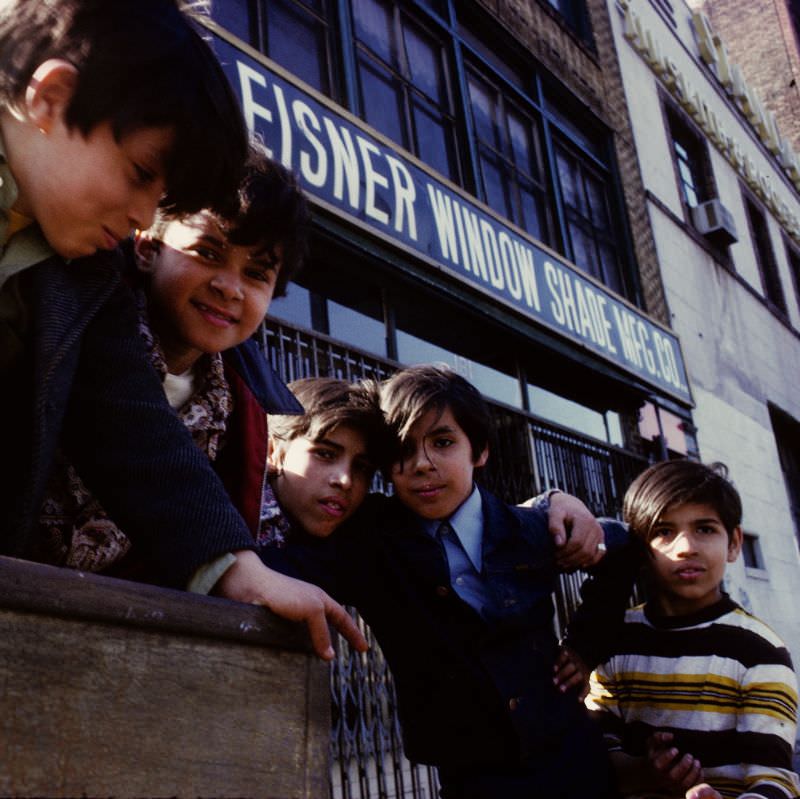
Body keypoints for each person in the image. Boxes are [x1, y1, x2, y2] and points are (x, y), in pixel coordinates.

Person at [0, 0, 365, 660]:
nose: (142, 210)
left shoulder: (80, 271)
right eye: (141, 173)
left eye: (257, 272)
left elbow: (129, 427)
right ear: (49, 97)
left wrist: (239, 570)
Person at [261, 363, 640, 798]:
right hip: (470, 777)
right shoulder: (367, 541)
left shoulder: (534, 529)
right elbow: (278, 564)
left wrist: (585, 645)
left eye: (442, 443)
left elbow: (625, 548)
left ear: (479, 451)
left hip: (575, 761)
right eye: (404, 447)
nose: (422, 464)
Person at [38, 142, 309, 575]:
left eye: (256, 273)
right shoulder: (71, 316)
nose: (230, 287)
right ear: (147, 248)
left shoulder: (243, 419)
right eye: (207, 252)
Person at [585, 460, 800, 799]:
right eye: (663, 532)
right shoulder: (614, 638)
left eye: (705, 529)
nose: (685, 547)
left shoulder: (760, 652)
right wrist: (645, 770)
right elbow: (593, 754)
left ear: (734, 543)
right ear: (640, 549)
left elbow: (775, 780)